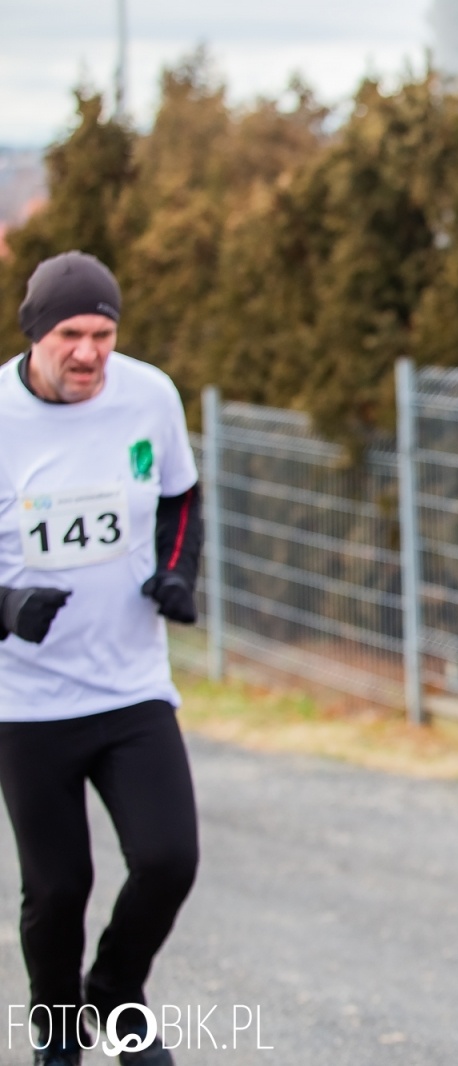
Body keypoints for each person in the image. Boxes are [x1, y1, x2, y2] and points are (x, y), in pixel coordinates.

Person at [0, 251, 204, 1066]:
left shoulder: (148, 393)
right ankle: (57, 1041)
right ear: (34, 334)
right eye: (70, 335)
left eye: (104, 333)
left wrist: (179, 572)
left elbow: (180, 496)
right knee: (57, 889)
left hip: (130, 686)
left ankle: (116, 992)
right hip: (26, 702)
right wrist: (6, 606)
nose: (89, 353)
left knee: (168, 859)